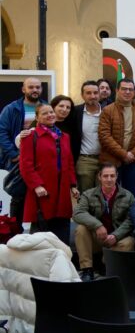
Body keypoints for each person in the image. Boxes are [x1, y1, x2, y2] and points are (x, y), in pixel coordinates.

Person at [19, 104, 79, 243]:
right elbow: (26, 165)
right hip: (43, 190)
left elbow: (69, 162)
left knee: (62, 232)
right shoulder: (30, 136)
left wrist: (72, 185)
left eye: (51, 112)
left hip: (62, 190)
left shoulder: (64, 136)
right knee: (41, 236)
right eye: (45, 113)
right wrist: (37, 185)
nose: (50, 115)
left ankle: (62, 255)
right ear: (37, 117)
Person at [72, 163, 135, 281]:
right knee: (81, 229)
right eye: (105, 176)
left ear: (117, 176)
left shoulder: (128, 196)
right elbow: (78, 213)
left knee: (129, 242)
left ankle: (105, 265)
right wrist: (97, 225)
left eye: (112, 176)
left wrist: (116, 235)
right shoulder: (88, 194)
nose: (109, 179)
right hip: (98, 237)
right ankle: (87, 269)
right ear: (99, 177)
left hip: (118, 239)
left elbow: (131, 220)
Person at [0, 77, 45, 222]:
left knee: (39, 197)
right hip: (19, 161)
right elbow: (2, 132)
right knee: (18, 196)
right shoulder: (11, 109)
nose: (34, 90)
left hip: (40, 162)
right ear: (23, 89)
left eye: (37, 87)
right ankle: (15, 229)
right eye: (31, 87)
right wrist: (13, 154)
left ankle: (37, 231)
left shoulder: (46, 107)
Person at [98, 78, 135, 196]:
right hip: (112, 159)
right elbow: (104, 136)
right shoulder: (107, 110)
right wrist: (124, 154)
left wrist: (132, 154)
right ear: (117, 91)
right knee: (110, 194)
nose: (127, 92)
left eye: (130, 89)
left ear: (134, 92)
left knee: (129, 195)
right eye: (124, 89)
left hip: (133, 160)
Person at [73, 81, 102, 192]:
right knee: (86, 194)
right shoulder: (75, 111)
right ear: (82, 95)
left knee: (104, 194)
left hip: (105, 159)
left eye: (95, 93)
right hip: (84, 160)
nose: (93, 96)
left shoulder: (107, 111)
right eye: (88, 93)